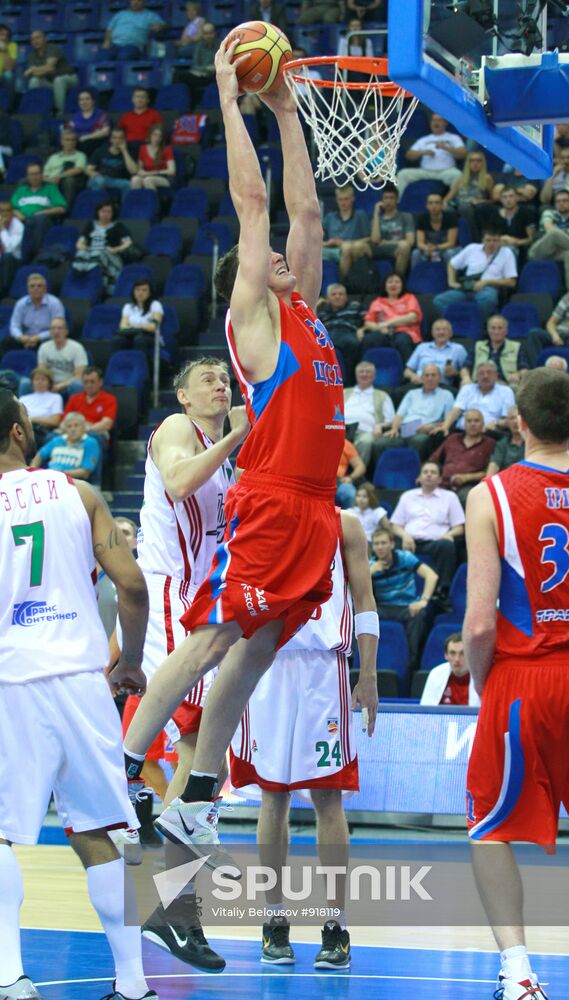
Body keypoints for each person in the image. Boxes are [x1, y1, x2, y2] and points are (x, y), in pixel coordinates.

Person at [122, 38, 348, 852]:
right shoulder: (257, 320)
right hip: (276, 500)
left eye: (292, 258)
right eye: (272, 259)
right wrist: (229, 99)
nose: (287, 254)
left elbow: (307, 211)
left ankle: (199, 792)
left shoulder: (311, 316)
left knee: (254, 647)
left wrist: (288, 110)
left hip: (316, 512)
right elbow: (256, 207)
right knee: (217, 636)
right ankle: (121, 763)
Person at [463, 367, 569, 1000]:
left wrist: (482, 684)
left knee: (490, 826)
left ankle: (520, 973)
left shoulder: (491, 495)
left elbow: (477, 623)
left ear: (517, 421)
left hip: (529, 678)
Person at [0, 391, 157, 1000]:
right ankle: (134, 983)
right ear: (18, 432)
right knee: (98, 831)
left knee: (5, 833)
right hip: (82, 679)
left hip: (12, 679)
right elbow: (134, 587)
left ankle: (11, 976)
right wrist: (133, 665)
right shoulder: (80, 493)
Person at [123, 357, 248, 971]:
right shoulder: (177, 427)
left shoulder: (224, 455)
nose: (220, 385)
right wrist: (241, 431)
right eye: (208, 379)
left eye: (225, 379)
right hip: (172, 591)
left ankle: (175, 911)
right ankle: (124, 783)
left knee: (204, 767)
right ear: (181, 393)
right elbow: (176, 484)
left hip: (202, 599)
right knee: (202, 760)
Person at [230, 509, 378, 969]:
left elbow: (366, 601)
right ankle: (274, 919)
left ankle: (335, 926)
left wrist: (368, 674)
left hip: (323, 668)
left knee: (327, 799)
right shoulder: (262, 515)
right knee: (272, 798)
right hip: (267, 665)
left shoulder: (345, 524)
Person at [370, 527, 438, 679]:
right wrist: (369, 573)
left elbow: (431, 576)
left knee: (420, 613)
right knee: (360, 614)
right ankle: (359, 660)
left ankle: (412, 662)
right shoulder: (369, 565)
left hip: (405, 606)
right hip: (382, 607)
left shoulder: (405, 558)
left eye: (383, 543)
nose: (380, 547)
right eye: (376, 544)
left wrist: (423, 600)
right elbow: (352, 590)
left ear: (392, 544)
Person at [390, 460, 465, 593]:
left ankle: (442, 591)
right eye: (425, 472)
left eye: (433, 472)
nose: (429, 475)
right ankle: (390, 588)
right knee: (386, 544)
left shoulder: (449, 497)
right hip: (410, 542)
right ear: (419, 477)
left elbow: (459, 527)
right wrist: (404, 535)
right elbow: (395, 525)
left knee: (447, 545)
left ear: (440, 479)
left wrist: (450, 534)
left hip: (435, 543)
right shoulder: (407, 496)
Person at [433, 229, 518, 320]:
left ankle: (477, 324)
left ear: (500, 241)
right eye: (488, 240)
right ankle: (457, 323)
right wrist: (451, 282)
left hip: (489, 288)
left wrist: (487, 282)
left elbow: (512, 282)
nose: (491, 243)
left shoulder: (506, 253)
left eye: (495, 240)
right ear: (482, 240)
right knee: (439, 301)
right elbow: (452, 264)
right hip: (468, 287)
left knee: (488, 299)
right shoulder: (472, 248)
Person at [375, 364, 454, 461]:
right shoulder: (412, 393)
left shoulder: (447, 395)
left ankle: (412, 473)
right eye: (427, 375)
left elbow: (449, 421)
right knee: (379, 444)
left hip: (425, 431)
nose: (430, 378)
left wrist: (433, 426)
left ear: (439, 378)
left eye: (433, 375)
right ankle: (387, 472)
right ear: (422, 378)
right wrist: (394, 429)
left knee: (418, 441)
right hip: (404, 429)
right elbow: (399, 415)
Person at [430, 408, 496, 505]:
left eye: (476, 421)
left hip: (468, 485)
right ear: (464, 424)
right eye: (469, 421)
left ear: (483, 424)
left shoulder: (490, 444)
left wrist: (467, 477)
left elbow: (489, 472)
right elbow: (433, 460)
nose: (472, 424)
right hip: (442, 482)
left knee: (467, 497)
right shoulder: (452, 439)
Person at [527, 189, 569, 291]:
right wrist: (568, 239)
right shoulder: (549, 213)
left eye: (565, 201)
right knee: (554, 233)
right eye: (558, 201)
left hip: (559, 253)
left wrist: (564, 241)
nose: (561, 203)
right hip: (540, 251)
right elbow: (550, 229)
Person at [396, 113, 466, 198]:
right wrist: (423, 152)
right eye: (434, 120)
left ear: (445, 123)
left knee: (458, 175)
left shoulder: (453, 138)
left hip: (446, 171)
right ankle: (396, 202)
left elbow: (463, 154)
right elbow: (409, 155)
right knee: (403, 174)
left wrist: (446, 148)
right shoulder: (424, 139)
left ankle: (452, 201)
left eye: (439, 120)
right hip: (425, 171)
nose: (436, 123)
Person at [441, 361, 516, 436]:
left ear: (496, 375)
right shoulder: (467, 389)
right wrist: (445, 427)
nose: (485, 376)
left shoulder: (506, 391)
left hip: (488, 434)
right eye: (481, 373)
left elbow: (508, 419)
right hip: (461, 432)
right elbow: (456, 410)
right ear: (476, 376)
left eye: (489, 373)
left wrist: (496, 423)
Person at [73, 200, 132, 295]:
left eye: (109, 212)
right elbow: (80, 243)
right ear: (98, 212)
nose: (106, 214)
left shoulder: (118, 226)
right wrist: (83, 247)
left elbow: (128, 242)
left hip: (110, 255)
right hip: (91, 254)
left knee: (98, 254)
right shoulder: (90, 225)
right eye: (103, 211)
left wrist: (116, 249)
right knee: (81, 254)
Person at [360, 273, 422, 363]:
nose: (393, 285)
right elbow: (368, 322)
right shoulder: (377, 302)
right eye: (390, 282)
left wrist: (387, 323)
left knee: (402, 341)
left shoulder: (409, 298)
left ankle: (408, 373)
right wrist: (379, 328)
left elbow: (412, 318)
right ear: (385, 285)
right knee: (369, 339)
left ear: (402, 285)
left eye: (397, 282)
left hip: (404, 332)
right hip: (383, 333)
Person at [343, 360, 395, 467]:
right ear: (356, 375)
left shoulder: (382, 395)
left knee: (366, 441)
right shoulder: (344, 392)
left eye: (368, 372)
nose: (364, 374)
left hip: (364, 432)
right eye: (361, 372)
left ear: (374, 376)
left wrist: (380, 425)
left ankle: (356, 476)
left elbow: (390, 420)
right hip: (341, 430)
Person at [10, 162, 66, 253]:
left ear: (42, 174)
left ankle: (33, 253)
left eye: (37, 174)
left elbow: (61, 208)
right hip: (22, 220)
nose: (34, 177)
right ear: (27, 176)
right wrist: (18, 214)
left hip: (42, 220)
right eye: (31, 174)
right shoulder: (21, 190)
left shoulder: (51, 188)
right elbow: (11, 207)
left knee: (39, 220)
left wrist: (41, 213)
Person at [31, 410, 101, 480]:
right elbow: (39, 456)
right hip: (50, 478)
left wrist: (60, 473)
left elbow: (85, 473)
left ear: (83, 427)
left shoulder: (90, 443)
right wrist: (32, 472)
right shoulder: (57, 440)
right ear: (65, 429)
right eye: (69, 426)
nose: (73, 429)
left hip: (73, 481)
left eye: (76, 425)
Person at [4, 273, 65, 352]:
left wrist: (38, 337)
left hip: (46, 339)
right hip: (25, 339)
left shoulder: (55, 303)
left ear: (45, 289)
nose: (36, 288)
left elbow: (59, 328)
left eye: (39, 286)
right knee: (7, 342)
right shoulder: (21, 303)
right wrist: (20, 337)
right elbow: (14, 325)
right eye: (32, 286)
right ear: (28, 289)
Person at [404, 318, 470, 388]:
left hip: (442, 387)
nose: (441, 332)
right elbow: (407, 371)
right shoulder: (422, 347)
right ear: (432, 333)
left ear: (451, 333)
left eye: (445, 329)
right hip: (419, 384)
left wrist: (455, 373)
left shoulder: (458, 349)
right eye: (437, 330)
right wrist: (413, 376)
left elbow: (466, 372)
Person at [322, 184, 371, 280]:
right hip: (331, 249)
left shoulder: (360, 215)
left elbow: (369, 239)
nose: (343, 203)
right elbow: (317, 239)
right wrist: (327, 243)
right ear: (336, 200)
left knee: (346, 248)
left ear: (352, 199)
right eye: (340, 199)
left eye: (346, 199)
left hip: (350, 247)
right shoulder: (330, 217)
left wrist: (343, 243)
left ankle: (341, 282)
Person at [442, 150, 494, 240]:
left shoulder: (487, 178)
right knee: (447, 209)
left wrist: (482, 201)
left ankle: (476, 238)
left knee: (464, 207)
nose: (475, 163)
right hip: (458, 204)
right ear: (468, 163)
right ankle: (448, 239)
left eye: (478, 161)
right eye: (472, 160)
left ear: (483, 163)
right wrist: (443, 204)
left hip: (473, 206)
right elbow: (448, 198)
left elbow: (494, 200)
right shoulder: (461, 179)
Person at [23, 30, 78, 114]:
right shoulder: (31, 55)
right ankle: (35, 110)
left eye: (38, 37)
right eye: (33, 39)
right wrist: (37, 71)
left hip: (69, 78)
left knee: (58, 80)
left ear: (45, 39)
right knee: (34, 80)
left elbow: (49, 67)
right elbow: (35, 74)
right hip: (50, 82)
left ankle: (59, 112)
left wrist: (33, 69)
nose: (35, 41)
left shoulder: (52, 48)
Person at [316, 283, 363, 380]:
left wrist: (362, 329)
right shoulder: (322, 312)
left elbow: (368, 320)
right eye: (334, 294)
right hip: (328, 334)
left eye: (341, 294)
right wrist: (316, 305)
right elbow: (309, 322)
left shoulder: (355, 307)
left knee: (349, 343)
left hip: (347, 332)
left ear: (346, 297)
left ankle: (345, 380)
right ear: (327, 298)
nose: (337, 297)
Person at [367, 182, 415, 277]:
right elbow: (375, 240)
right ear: (381, 200)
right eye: (386, 198)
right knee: (357, 247)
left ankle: (398, 280)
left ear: (397, 200)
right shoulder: (377, 219)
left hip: (396, 249)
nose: (388, 201)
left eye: (392, 198)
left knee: (405, 246)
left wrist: (386, 242)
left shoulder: (406, 217)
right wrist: (376, 214)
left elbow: (410, 241)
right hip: (378, 250)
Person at [420, 632, 479, 706]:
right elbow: (426, 709)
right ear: (446, 655)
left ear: (470, 654)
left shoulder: (482, 676)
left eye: (462, 653)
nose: (457, 659)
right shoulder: (436, 674)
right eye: (452, 653)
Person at [470, 314, 528, 389]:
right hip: (479, 384)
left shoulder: (517, 347)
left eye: (500, 328)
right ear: (488, 330)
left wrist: (518, 374)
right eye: (493, 328)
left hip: (506, 385)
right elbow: (465, 367)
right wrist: (465, 378)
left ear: (506, 330)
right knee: (465, 387)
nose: (496, 332)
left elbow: (525, 370)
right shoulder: (477, 346)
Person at [36, 316, 87, 398]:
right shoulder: (44, 347)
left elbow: (79, 376)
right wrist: (48, 385)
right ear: (50, 332)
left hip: (68, 385)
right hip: (49, 384)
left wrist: (59, 386)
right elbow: (41, 372)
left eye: (59, 328)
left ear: (66, 331)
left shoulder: (77, 348)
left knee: (77, 385)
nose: (56, 331)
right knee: (26, 383)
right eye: (53, 328)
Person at [64, 366, 118, 444]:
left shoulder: (109, 399)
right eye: (86, 382)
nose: (89, 385)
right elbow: (65, 421)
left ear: (100, 382)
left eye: (92, 382)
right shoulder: (74, 398)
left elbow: (106, 424)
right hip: (73, 430)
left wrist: (84, 430)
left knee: (91, 440)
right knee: (52, 437)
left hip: (95, 431)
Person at [484, 185, 535, 261]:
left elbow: (532, 239)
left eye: (511, 196)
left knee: (509, 250)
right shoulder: (495, 215)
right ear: (500, 199)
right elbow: (490, 236)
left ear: (517, 198)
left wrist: (516, 242)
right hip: (499, 247)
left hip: (520, 249)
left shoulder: (526, 213)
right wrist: (500, 241)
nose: (508, 200)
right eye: (504, 197)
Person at [173, 21, 218, 106]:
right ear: (203, 35)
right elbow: (195, 65)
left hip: (214, 75)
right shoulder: (199, 45)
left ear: (215, 33)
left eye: (210, 33)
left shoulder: (221, 45)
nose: (208, 36)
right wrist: (206, 68)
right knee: (178, 75)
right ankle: (183, 105)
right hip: (200, 74)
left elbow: (223, 63)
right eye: (206, 33)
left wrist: (215, 68)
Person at [114, 279, 163, 356]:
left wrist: (134, 326)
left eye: (144, 290)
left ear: (150, 293)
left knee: (139, 339)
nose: (140, 293)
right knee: (118, 340)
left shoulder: (155, 305)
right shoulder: (128, 307)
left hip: (149, 336)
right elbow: (123, 326)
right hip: (131, 335)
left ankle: (141, 365)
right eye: (137, 290)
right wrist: (142, 326)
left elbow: (154, 326)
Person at [410, 191, 459, 268]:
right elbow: (420, 243)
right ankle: (416, 277)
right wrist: (427, 248)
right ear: (426, 205)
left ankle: (451, 278)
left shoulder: (450, 218)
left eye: (437, 203)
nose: (434, 206)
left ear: (442, 205)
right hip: (429, 248)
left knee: (449, 253)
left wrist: (436, 247)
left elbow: (451, 243)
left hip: (448, 248)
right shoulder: (422, 219)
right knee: (416, 253)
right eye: (430, 203)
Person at [87, 126, 138, 196]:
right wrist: (92, 173)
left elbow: (134, 171)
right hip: (102, 178)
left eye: (120, 138)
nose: (117, 141)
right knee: (99, 181)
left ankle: (125, 206)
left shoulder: (130, 152)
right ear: (110, 139)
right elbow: (88, 169)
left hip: (117, 180)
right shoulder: (101, 151)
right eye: (114, 138)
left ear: (125, 139)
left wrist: (124, 151)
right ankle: (97, 206)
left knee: (128, 184)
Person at [18, 366, 62, 446]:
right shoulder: (23, 398)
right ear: (32, 382)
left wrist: (32, 419)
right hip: (23, 429)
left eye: (43, 379)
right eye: (37, 379)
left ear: (49, 382)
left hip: (42, 430)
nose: (40, 382)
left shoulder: (56, 398)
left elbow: (55, 421)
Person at [42, 128, 88, 207]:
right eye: (67, 140)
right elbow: (44, 174)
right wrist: (50, 180)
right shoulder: (53, 157)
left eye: (73, 140)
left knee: (69, 181)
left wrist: (59, 177)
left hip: (65, 181)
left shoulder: (80, 155)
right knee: (25, 180)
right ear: (61, 141)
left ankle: (64, 208)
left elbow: (78, 169)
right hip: (51, 181)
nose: (70, 142)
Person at [67, 89, 111, 156]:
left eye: (87, 99)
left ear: (93, 101)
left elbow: (105, 131)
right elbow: (69, 130)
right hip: (77, 142)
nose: (84, 102)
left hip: (94, 142)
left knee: (87, 144)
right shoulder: (75, 116)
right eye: (81, 99)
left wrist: (87, 137)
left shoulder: (101, 115)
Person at [131, 124, 175, 190]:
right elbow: (139, 170)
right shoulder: (143, 148)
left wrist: (151, 173)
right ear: (150, 135)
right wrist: (141, 172)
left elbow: (172, 171)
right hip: (147, 176)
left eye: (160, 136)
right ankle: (137, 200)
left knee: (148, 180)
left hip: (164, 178)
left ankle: (152, 200)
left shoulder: (167, 149)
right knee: (135, 179)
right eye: (155, 135)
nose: (157, 138)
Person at [485, 404, 524, 476]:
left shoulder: (532, 442)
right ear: (507, 423)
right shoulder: (502, 444)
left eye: (517, 417)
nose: (515, 421)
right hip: (507, 481)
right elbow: (494, 466)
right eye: (512, 418)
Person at [0, 201, 24, 299]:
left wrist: (2, 230)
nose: (5, 214)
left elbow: (10, 248)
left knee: (7, 256)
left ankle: (4, 291)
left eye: (8, 211)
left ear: (12, 212)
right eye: (1, 211)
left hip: (14, 260)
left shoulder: (18, 226)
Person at [336, 437, 366, 508]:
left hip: (338, 481)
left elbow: (361, 466)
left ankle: (356, 517)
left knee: (350, 494)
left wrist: (350, 478)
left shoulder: (344, 443)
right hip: (315, 479)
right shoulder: (315, 441)